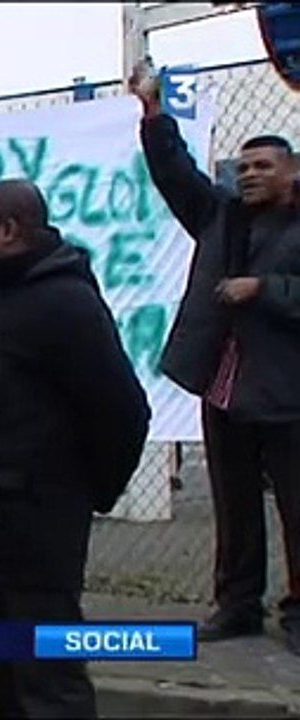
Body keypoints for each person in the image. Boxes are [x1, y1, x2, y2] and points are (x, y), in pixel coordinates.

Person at [0, 179, 151, 718]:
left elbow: (122, 412)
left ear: (9, 230)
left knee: (47, 681)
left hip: (29, 534)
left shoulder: (63, 302)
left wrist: (79, 494)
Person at [130, 59, 300, 654]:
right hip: (225, 389)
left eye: (264, 166)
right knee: (234, 508)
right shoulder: (221, 215)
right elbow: (176, 175)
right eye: (244, 166)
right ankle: (237, 605)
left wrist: (266, 290)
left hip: (286, 393)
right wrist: (153, 113)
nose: (250, 174)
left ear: (291, 174)